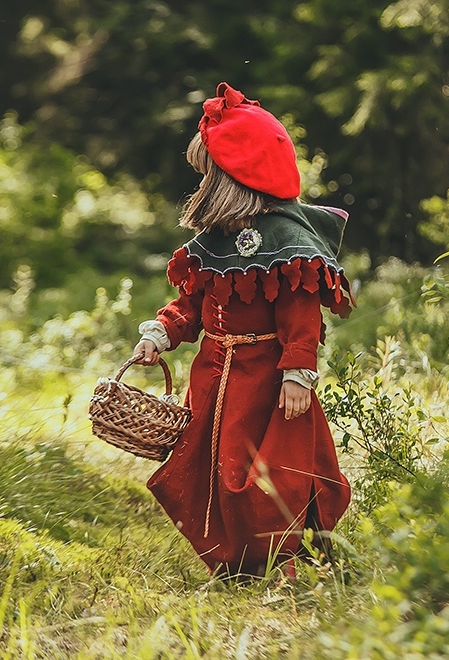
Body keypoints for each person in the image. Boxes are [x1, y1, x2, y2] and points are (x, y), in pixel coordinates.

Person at [133, 82, 354, 578]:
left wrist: (299, 371)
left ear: (233, 176)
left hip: (267, 385)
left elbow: (301, 316)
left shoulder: (288, 242)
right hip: (214, 380)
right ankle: (234, 561)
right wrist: (161, 334)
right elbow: (189, 305)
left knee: (272, 475)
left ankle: (287, 561)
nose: (203, 181)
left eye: (209, 172)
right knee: (214, 471)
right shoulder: (212, 242)